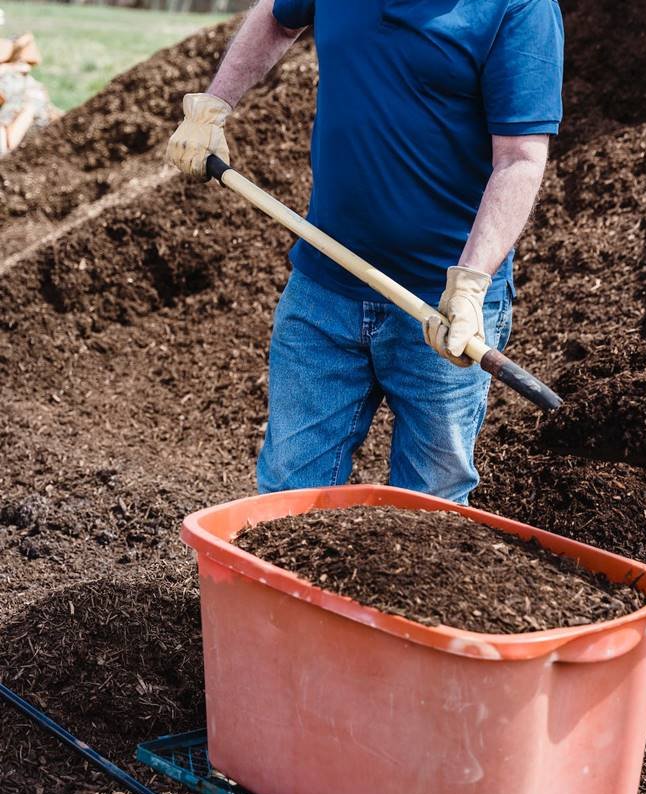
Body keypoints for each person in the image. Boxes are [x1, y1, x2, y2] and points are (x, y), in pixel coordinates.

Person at [166, 0, 564, 504]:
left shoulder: (518, 8)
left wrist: (469, 283)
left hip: (442, 308)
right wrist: (214, 104)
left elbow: (520, 160)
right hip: (323, 288)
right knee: (287, 494)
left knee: (430, 507)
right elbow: (277, 14)